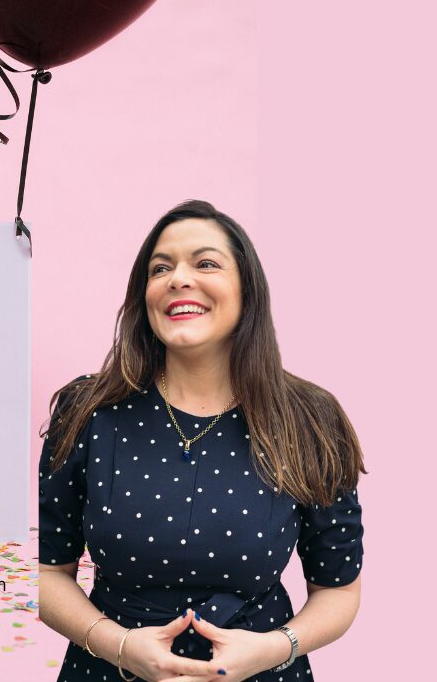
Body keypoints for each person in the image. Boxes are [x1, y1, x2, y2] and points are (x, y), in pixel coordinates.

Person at [38, 200, 363, 682]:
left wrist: (273, 649)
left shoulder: (311, 420)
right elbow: (45, 572)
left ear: (246, 290)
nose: (178, 278)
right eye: (160, 268)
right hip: (107, 671)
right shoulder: (87, 412)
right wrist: (121, 646)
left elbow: (338, 589)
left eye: (205, 262)